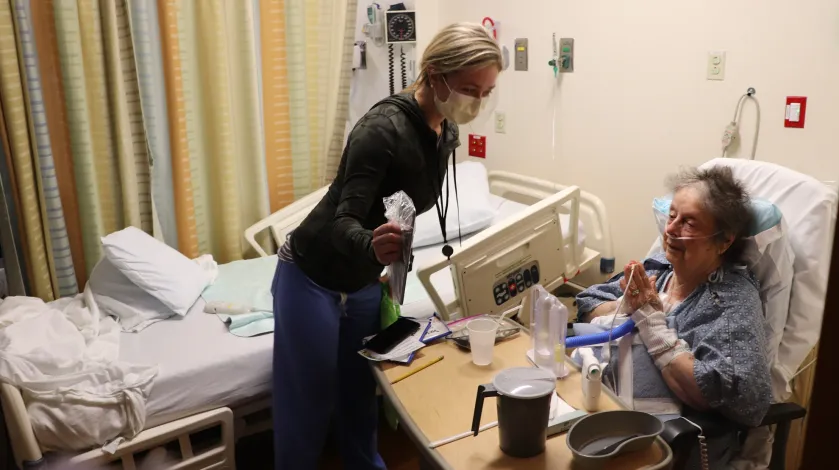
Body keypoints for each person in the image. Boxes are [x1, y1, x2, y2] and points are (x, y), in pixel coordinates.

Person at [271, 23, 502, 470]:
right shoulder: (381, 130)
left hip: (363, 280)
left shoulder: (445, 132)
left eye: (487, 92)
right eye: (469, 88)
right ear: (434, 75)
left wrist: (385, 268)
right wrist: (373, 247)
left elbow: (402, 204)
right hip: (311, 274)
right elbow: (344, 221)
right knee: (310, 401)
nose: (476, 102)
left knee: (361, 392)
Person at [576, 167, 772, 468]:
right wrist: (626, 305)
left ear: (724, 241)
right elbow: (588, 302)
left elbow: (745, 397)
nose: (670, 230)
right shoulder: (657, 270)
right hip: (603, 414)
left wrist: (653, 324)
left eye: (689, 222)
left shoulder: (730, 301)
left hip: (667, 447)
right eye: (671, 216)